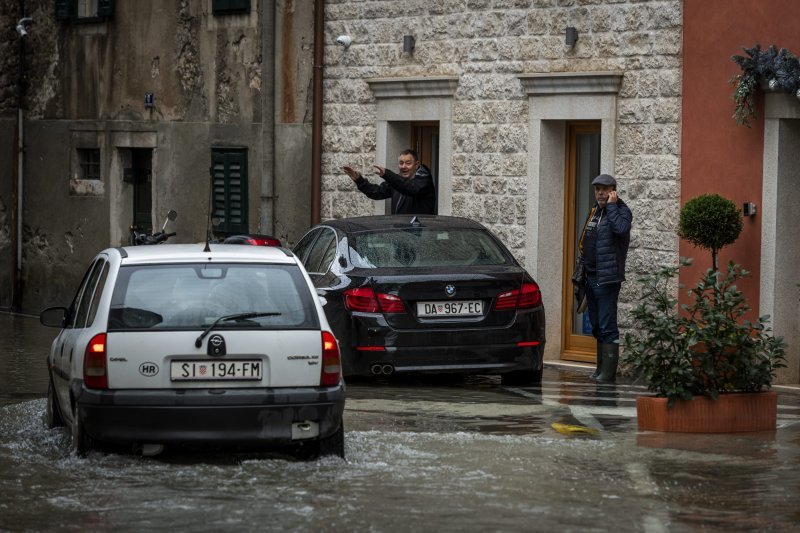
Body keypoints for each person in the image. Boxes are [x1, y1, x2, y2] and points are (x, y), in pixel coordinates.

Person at [579, 173, 632, 383]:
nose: (600, 193)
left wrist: (611, 206)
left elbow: (621, 229)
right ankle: (599, 369)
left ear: (613, 191)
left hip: (607, 279)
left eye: (605, 189)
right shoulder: (595, 212)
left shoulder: (621, 211)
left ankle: (607, 375)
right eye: (597, 189)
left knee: (607, 325)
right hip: (590, 277)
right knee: (596, 325)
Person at [342, 149, 436, 215]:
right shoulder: (397, 181)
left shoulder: (424, 180)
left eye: (408, 163)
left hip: (420, 235)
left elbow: (410, 188)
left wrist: (387, 174)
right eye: (401, 163)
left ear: (416, 165)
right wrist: (359, 180)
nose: (403, 166)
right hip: (400, 234)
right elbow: (376, 192)